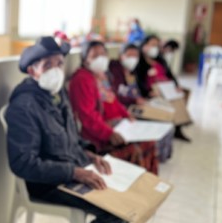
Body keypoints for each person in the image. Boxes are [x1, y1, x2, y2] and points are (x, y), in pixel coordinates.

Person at [5, 36, 137, 223]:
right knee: (115, 212)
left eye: (59, 63)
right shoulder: (23, 107)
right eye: (47, 65)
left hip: (73, 168)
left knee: (127, 199)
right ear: (32, 71)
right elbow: (22, 163)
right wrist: (74, 172)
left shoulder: (57, 94)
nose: (56, 70)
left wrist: (90, 154)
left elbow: (71, 136)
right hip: (47, 183)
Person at [68, 40, 159, 174]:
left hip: (117, 126)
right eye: (95, 55)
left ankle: (148, 183)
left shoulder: (101, 75)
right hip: (97, 136)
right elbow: (87, 116)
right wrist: (109, 133)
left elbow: (114, 100)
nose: (101, 58)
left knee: (149, 141)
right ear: (85, 59)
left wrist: (127, 115)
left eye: (103, 54)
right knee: (136, 150)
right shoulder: (81, 79)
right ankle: (134, 184)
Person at [108, 43, 174, 163]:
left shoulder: (133, 71)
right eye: (129, 55)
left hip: (137, 104)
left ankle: (158, 157)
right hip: (128, 108)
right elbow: (116, 96)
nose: (133, 59)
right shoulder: (115, 71)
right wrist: (134, 101)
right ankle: (154, 156)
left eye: (135, 56)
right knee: (158, 125)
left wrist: (147, 95)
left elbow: (139, 89)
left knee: (167, 123)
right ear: (121, 56)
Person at [134, 35, 191, 142]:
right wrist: (148, 92)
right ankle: (170, 127)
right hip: (153, 91)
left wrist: (176, 85)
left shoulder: (160, 59)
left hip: (167, 87)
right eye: (153, 45)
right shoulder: (140, 63)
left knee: (180, 97)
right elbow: (139, 81)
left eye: (157, 45)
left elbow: (170, 74)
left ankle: (178, 128)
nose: (155, 48)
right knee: (171, 102)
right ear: (144, 46)